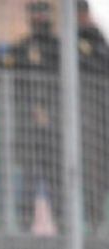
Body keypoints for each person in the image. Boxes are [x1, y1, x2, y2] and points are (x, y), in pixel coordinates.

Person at [7, 1, 61, 231]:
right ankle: (24, 222)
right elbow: (16, 84)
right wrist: (32, 107)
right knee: (28, 176)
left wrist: (49, 109)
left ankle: (62, 221)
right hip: (29, 125)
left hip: (55, 125)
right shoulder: (21, 48)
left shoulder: (59, 48)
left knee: (56, 174)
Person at [79, 0, 109, 233]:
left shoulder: (99, 40)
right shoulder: (68, 42)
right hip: (85, 120)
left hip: (100, 117)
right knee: (90, 171)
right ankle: (93, 219)